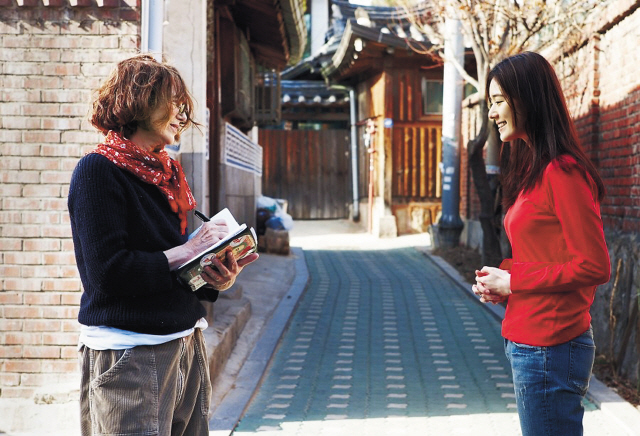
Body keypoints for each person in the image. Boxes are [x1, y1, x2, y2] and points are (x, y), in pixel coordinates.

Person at [68, 54, 259, 436]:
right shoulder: (97, 171)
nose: (182, 114)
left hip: (186, 344)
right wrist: (189, 250)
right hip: (129, 355)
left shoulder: (166, 173)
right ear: (139, 102)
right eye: (173, 102)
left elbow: (172, 272)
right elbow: (108, 274)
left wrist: (215, 277)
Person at [472, 51, 610, 436]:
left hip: (552, 345)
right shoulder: (534, 169)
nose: (492, 113)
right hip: (531, 340)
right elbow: (547, 256)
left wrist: (515, 282)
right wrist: (505, 280)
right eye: (490, 103)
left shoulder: (563, 172)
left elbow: (594, 266)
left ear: (526, 98)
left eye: (498, 102)